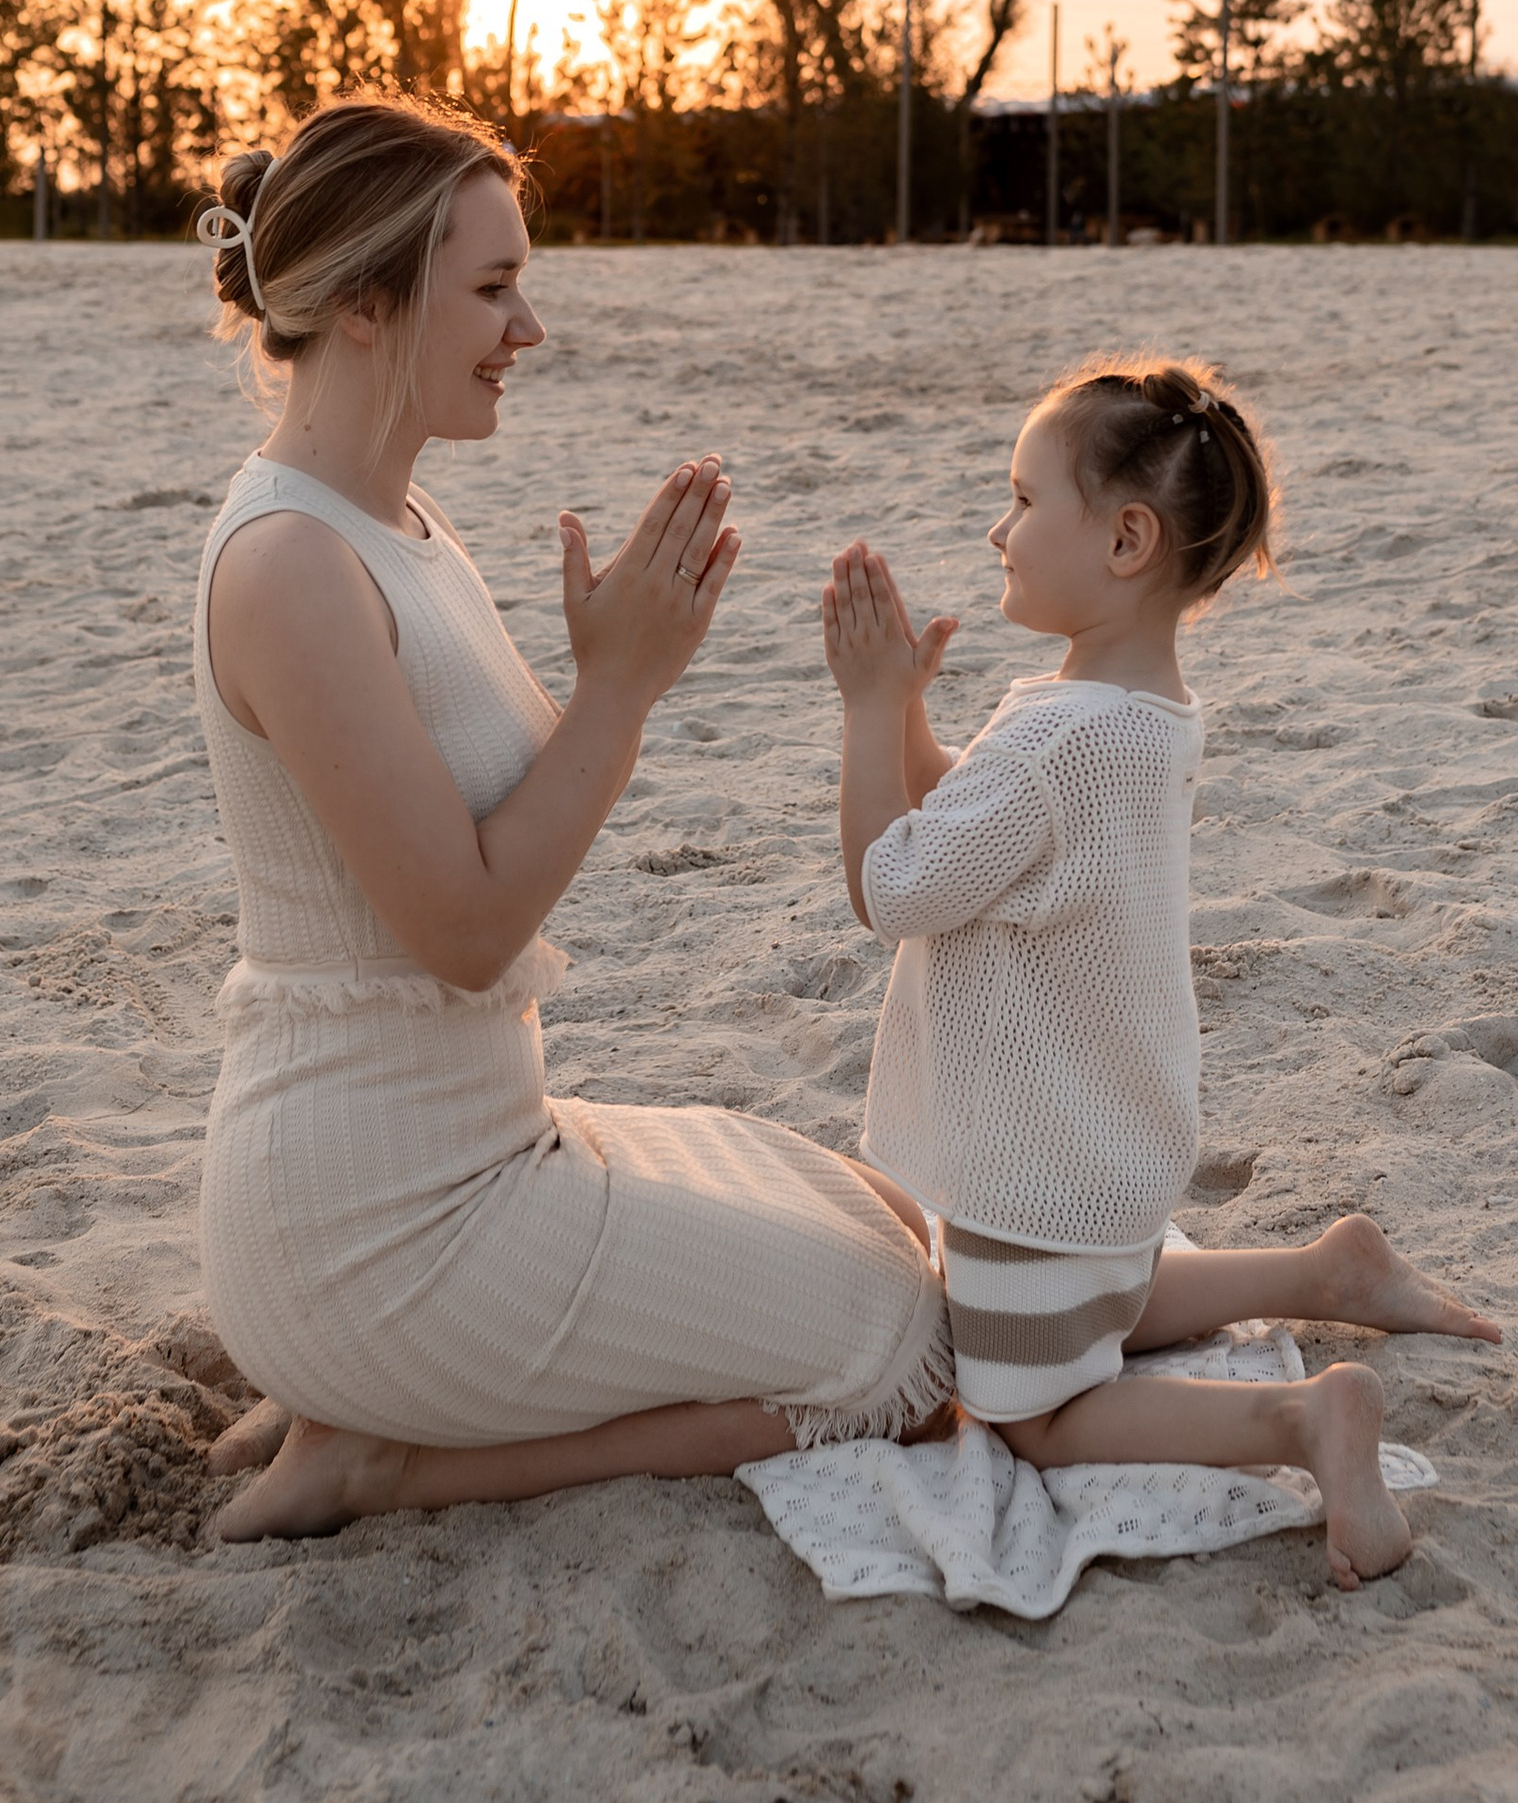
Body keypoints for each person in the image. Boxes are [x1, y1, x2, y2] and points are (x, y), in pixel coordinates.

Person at [193, 95, 950, 1543]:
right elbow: (470, 929)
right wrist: (622, 686)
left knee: (883, 1218)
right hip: (375, 1227)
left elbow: (497, 821)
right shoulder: (292, 565)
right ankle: (379, 1458)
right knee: (904, 1360)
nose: (527, 328)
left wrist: (619, 670)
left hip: (474, 1146)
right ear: (364, 302)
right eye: (491, 288)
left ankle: (374, 1406)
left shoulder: (391, 522)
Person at [821, 353, 1499, 1587]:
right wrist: (915, 716)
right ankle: (1321, 1268)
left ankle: (1299, 1423)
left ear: (1127, 537)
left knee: (1034, 1412)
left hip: (1033, 1157)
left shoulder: (1056, 738)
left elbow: (898, 886)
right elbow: (971, 825)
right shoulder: (1131, 714)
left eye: (1022, 499)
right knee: (1105, 1293)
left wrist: (869, 711)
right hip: (1110, 1129)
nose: (996, 527)